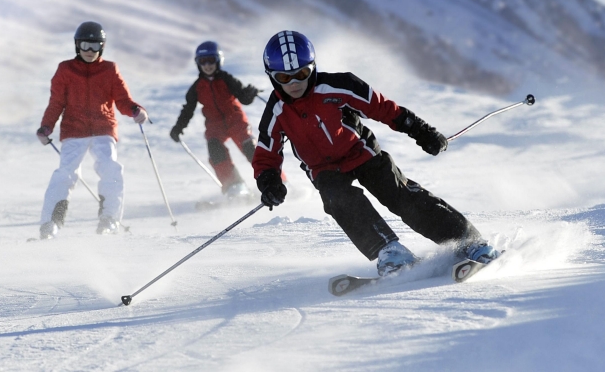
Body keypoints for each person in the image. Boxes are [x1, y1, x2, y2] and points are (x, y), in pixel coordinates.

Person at [251, 31, 499, 277]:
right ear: (272, 77)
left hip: (361, 153)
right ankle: (390, 251)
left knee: (400, 195)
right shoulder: (276, 111)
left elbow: (382, 107)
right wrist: (269, 181)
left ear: (313, 68)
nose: (294, 83)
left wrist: (421, 131)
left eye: (302, 74)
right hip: (324, 170)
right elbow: (266, 154)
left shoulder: (338, 86)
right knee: (338, 200)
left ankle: (468, 242)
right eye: (284, 77)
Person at [36, 21, 148, 239]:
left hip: (103, 129)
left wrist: (136, 110)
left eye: (95, 46)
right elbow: (56, 102)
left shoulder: (109, 69)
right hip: (74, 130)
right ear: (77, 45)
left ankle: (109, 220)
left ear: (102, 47)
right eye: (85, 45)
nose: (89, 51)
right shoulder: (65, 69)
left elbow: (123, 100)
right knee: (65, 174)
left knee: (110, 168)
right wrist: (46, 126)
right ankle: (51, 224)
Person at [169, 41, 276, 197]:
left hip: (235, 120)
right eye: (203, 61)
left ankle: (275, 179)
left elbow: (243, 97)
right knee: (215, 150)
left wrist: (249, 93)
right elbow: (188, 110)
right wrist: (178, 128)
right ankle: (235, 186)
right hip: (214, 125)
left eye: (211, 60)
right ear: (198, 64)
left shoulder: (226, 79)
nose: (207, 65)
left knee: (250, 149)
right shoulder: (197, 87)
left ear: (218, 61)